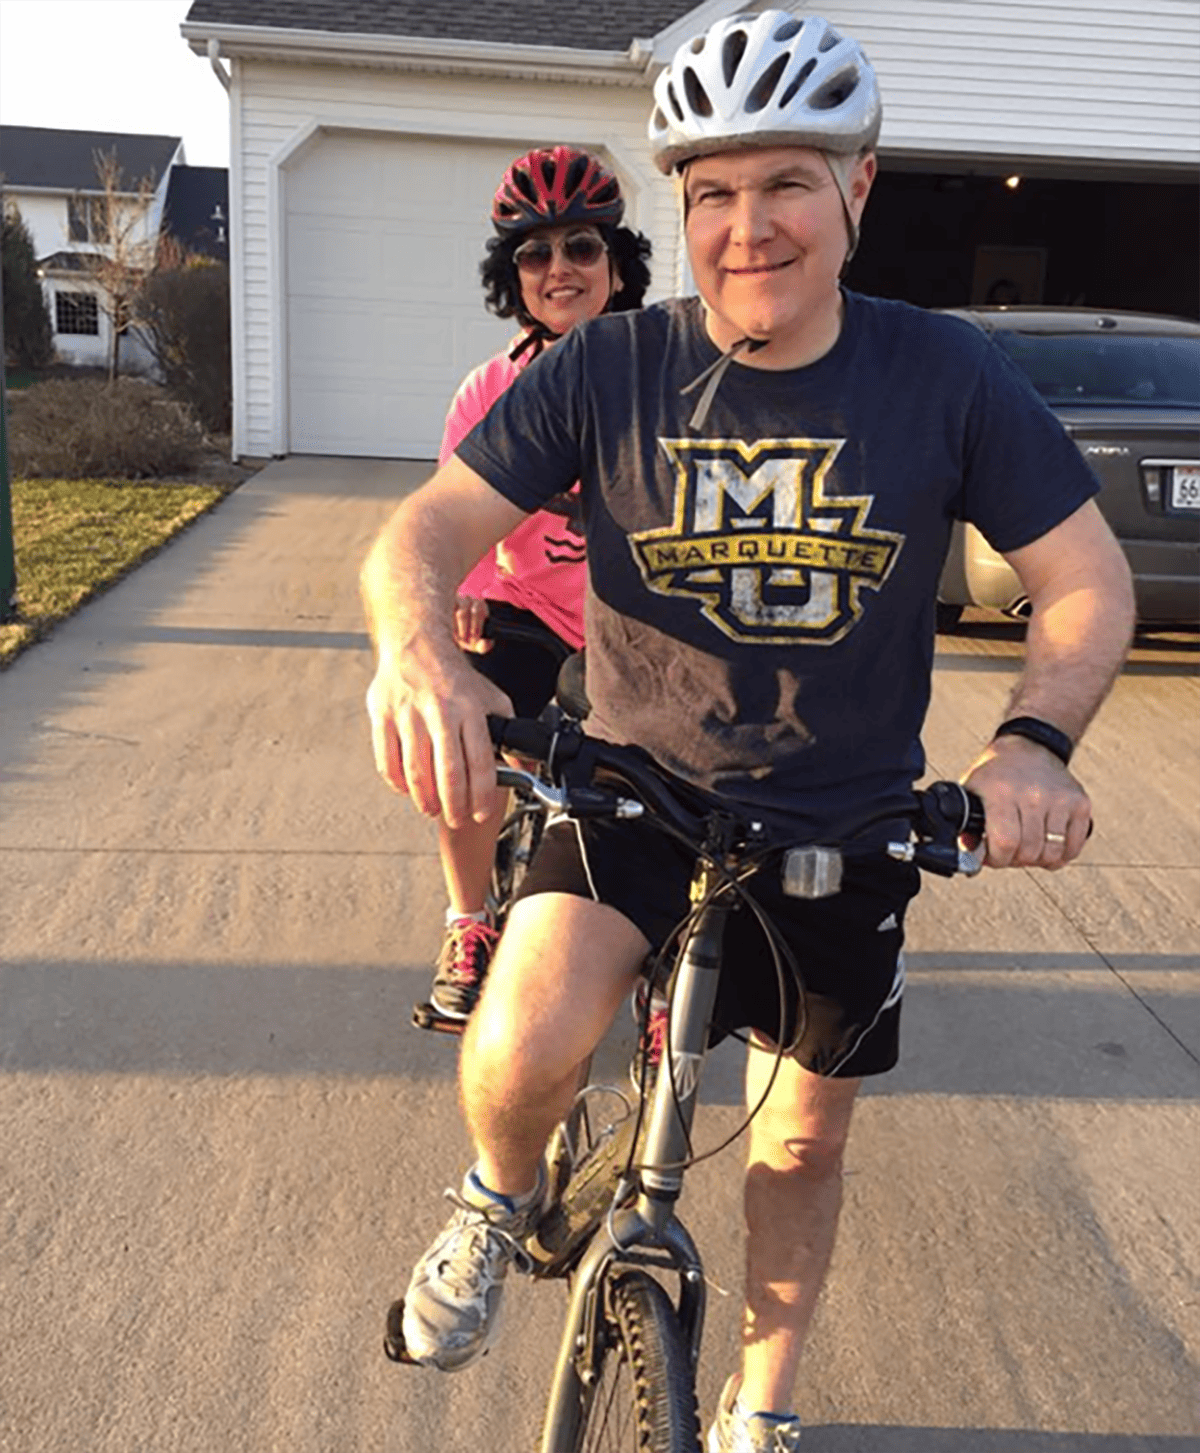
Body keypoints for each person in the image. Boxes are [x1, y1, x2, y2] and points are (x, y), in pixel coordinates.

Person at [360, 11, 1135, 1451]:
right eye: (711, 190)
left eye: (786, 180)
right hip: (634, 786)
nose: (747, 224)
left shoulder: (946, 374)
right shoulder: (608, 368)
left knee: (798, 1139)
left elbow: (1086, 579)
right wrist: (419, 654)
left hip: (847, 822)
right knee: (525, 1037)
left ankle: (760, 1408)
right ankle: (498, 1194)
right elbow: (423, 529)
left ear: (859, 186)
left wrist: (1034, 740)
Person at [425, 146, 652, 1023]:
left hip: (628, 626)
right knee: (470, 738)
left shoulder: (658, 372)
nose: (559, 269)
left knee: (658, 778)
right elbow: (453, 505)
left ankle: (656, 946)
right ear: (511, 272)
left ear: (616, 263)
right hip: (526, 609)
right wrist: (470, 585)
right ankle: (471, 916)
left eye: (582, 248)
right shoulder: (491, 387)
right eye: (535, 251)